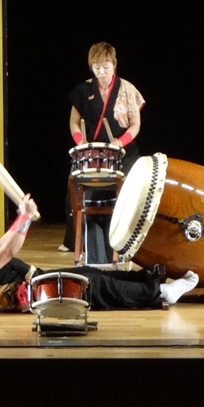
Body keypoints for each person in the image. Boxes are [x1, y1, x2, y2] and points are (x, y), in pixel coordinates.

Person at [0, 194, 198, 312]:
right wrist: (25, 219)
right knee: (96, 288)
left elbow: (1, 243)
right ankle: (161, 293)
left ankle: (149, 281)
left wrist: (20, 216)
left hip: (35, 280)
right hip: (36, 295)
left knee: (92, 272)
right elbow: (6, 252)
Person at [62, 42, 146, 252]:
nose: (101, 71)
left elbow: (135, 125)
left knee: (129, 190)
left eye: (105, 66)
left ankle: (126, 240)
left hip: (123, 151)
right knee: (74, 187)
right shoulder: (84, 89)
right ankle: (75, 241)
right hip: (91, 149)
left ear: (114, 64)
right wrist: (80, 140)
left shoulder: (128, 90)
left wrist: (120, 142)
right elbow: (74, 121)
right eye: (97, 67)